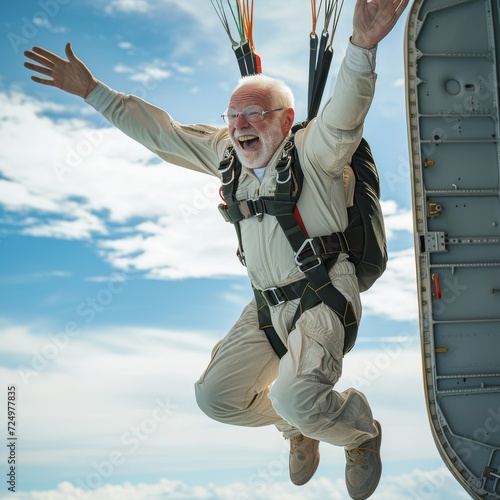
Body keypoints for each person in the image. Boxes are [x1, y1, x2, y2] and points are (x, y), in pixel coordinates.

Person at [24, 0, 407, 498]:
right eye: (232, 115)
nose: (241, 124)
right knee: (216, 398)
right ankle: (298, 426)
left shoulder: (317, 150)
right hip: (267, 303)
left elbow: (346, 111)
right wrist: (94, 93)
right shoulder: (228, 153)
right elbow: (163, 132)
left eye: (253, 113)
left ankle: (359, 433)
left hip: (323, 295)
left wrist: (362, 48)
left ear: (286, 118)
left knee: (296, 397)